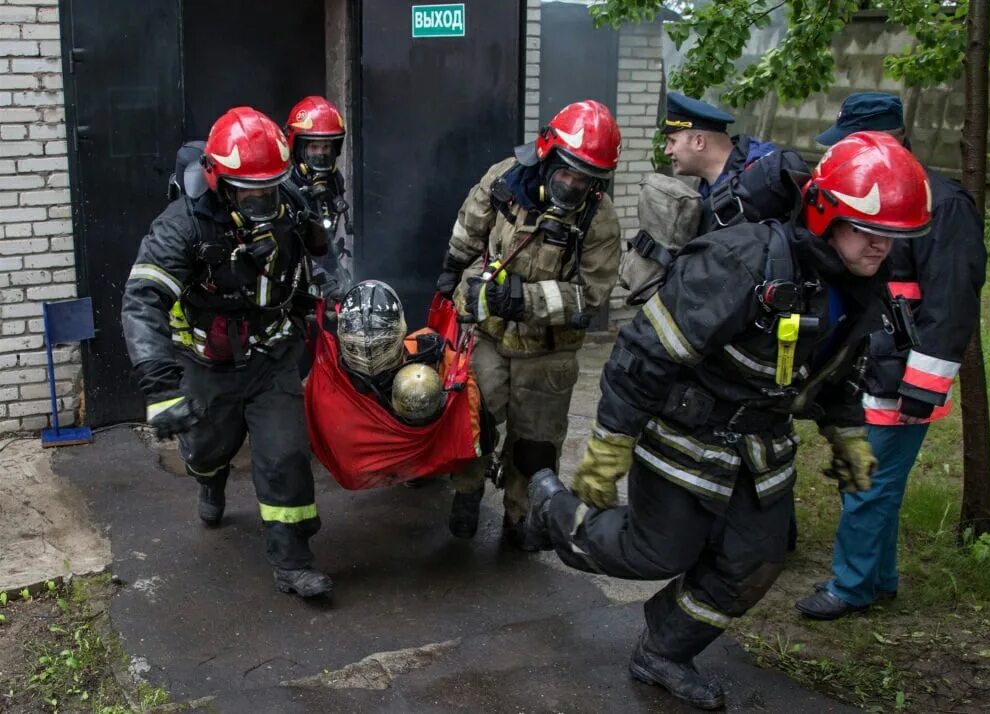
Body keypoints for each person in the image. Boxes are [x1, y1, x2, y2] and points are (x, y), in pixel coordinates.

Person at [525, 132, 932, 709]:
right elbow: (644, 352)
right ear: (824, 214)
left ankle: (663, 651)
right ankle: (552, 508)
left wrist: (846, 433)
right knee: (655, 554)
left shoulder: (859, 284)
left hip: (761, 448)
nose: (880, 250)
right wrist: (611, 443)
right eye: (869, 231)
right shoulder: (742, 261)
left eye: (892, 239)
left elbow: (835, 369)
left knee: (754, 564)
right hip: (683, 439)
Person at [121, 106, 333, 598]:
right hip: (208, 363)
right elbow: (142, 299)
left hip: (273, 354)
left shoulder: (290, 203)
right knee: (208, 450)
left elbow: (314, 256)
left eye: (270, 187)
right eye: (249, 191)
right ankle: (209, 482)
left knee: (285, 457)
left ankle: (293, 563)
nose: (262, 199)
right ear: (219, 180)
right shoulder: (184, 226)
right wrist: (160, 387)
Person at [795, 93, 987, 619]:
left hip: (899, 375)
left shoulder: (943, 204)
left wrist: (921, 388)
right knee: (876, 482)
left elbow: (950, 306)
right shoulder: (874, 199)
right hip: (870, 367)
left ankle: (851, 587)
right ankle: (877, 578)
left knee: (866, 482)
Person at [436, 100, 623, 548]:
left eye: (585, 178)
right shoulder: (505, 180)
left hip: (548, 353)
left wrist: (523, 300)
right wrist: (452, 268)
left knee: (535, 444)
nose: (573, 184)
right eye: (567, 172)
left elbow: (591, 296)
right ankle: (466, 493)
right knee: (473, 421)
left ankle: (522, 517)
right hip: (490, 338)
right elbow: (470, 224)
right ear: (548, 155)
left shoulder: (600, 220)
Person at [333, 279, 447, 425]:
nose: (369, 359)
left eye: (384, 346)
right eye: (354, 347)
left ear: (402, 330)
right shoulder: (329, 380)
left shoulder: (431, 359)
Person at [282, 95, 354, 303]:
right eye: (314, 147)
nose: (321, 154)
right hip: (289, 277)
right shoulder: (285, 187)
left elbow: (325, 238)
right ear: (298, 147)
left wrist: (335, 271)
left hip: (318, 269)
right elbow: (288, 249)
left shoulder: (334, 181)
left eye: (326, 147)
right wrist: (322, 278)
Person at [660, 92, 777, 200]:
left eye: (673, 141)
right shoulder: (708, 188)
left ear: (699, 142)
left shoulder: (763, 177)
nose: (667, 151)